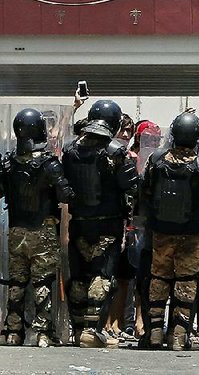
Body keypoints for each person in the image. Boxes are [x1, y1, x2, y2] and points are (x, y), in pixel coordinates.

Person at [139, 112, 199, 350]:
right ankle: (179, 335)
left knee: (159, 278)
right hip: (193, 234)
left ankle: (155, 332)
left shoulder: (156, 160)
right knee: (186, 282)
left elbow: (144, 191)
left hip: (161, 232)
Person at [62, 99, 139, 348]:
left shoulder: (69, 150)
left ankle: (77, 328)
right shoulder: (116, 151)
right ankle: (92, 330)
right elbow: (131, 186)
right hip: (108, 223)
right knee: (103, 277)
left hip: (79, 222)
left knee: (80, 276)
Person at [0, 109, 74, 347]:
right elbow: (66, 194)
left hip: (16, 230)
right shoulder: (49, 164)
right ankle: (41, 332)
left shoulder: (8, 163)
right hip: (42, 230)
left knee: (17, 282)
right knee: (42, 282)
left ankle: (13, 331)